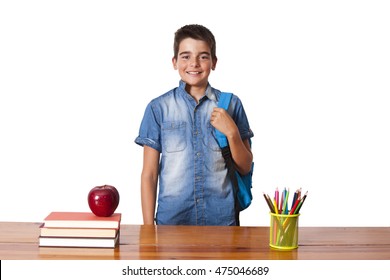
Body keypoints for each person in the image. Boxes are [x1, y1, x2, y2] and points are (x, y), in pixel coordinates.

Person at [135, 24, 253, 226]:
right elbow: (150, 174)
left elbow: (244, 166)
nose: (194, 64)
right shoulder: (158, 108)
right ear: (174, 62)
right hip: (172, 223)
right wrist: (147, 228)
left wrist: (232, 133)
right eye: (186, 56)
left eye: (203, 56)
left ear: (214, 62)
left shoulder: (232, 104)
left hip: (222, 222)